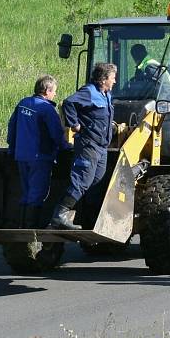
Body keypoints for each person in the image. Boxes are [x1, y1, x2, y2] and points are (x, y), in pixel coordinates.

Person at [50, 63, 117, 230]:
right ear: (103, 79)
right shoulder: (89, 92)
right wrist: (75, 124)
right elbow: (68, 103)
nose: (115, 81)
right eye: (112, 78)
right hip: (89, 144)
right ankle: (60, 215)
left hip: (102, 147)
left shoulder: (106, 94)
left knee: (97, 180)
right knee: (82, 180)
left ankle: (88, 218)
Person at [6, 75, 71, 228]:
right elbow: (56, 134)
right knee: (37, 193)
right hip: (40, 157)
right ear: (47, 90)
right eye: (54, 91)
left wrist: (12, 147)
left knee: (26, 191)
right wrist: (66, 147)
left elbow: (12, 127)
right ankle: (30, 229)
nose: (55, 94)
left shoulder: (23, 104)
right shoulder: (47, 109)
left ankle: (22, 225)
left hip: (21, 155)